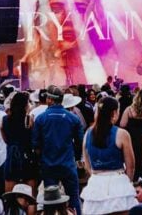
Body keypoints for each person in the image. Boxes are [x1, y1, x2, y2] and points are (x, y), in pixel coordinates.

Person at [32, 85, 84, 215]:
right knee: (74, 198)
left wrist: (41, 160)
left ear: (49, 100)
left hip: (48, 165)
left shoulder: (41, 119)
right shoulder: (73, 118)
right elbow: (80, 142)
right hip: (68, 164)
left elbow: (36, 145)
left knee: (50, 201)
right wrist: (76, 158)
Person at [80, 96, 137, 215]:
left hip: (96, 182)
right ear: (114, 113)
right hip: (118, 181)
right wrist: (127, 183)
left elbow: (86, 164)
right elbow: (130, 166)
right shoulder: (122, 134)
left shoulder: (88, 133)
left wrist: (96, 175)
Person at [1, 92, 38, 200]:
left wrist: (11, 143)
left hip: (12, 156)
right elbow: (33, 138)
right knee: (31, 197)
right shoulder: (29, 120)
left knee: (9, 195)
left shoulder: (5, 119)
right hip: (27, 155)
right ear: (25, 105)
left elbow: (4, 136)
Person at [121, 88, 142, 180]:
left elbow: (122, 124)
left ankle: (136, 178)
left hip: (134, 139)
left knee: (135, 158)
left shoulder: (129, 110)